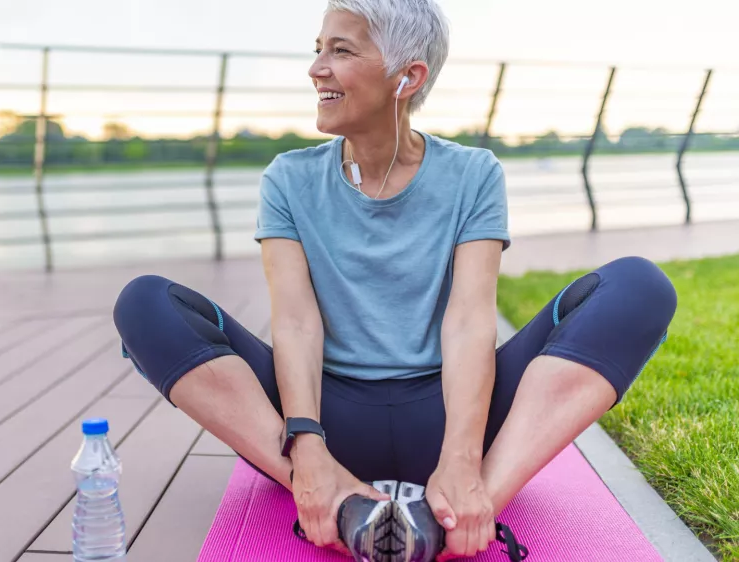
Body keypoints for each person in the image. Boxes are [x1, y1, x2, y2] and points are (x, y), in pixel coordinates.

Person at [113, 0, 677, 559]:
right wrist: (306, 444)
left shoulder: (473, 174)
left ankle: (465, 509)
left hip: (452, 415)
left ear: (407, 76)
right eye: (318, 50)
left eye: (340, 50)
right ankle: (334, 497)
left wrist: (461, 458)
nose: (316, 69)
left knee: (639, 287)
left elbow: (468, 322)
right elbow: (295, 321)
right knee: (145, 304)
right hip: (327, 422)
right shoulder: (287, 179)